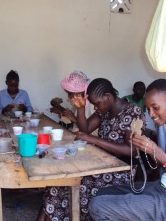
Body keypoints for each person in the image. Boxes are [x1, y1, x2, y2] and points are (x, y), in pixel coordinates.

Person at [88, 79, 166, 221]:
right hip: (164, 187)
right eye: (148, 108)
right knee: (100, 193)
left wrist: (155, 150)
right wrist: (142, 146)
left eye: (155, 108)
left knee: (98, 206)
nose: (151, 114)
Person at [37, 78, 146, 221]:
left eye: (97, 104)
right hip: (100, 164)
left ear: (108, 96)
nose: (95, 107)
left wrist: (95, 140)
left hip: (119, 172)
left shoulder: (133, 112)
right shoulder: (105, 110)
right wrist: (81, 109)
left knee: (68, 184)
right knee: (58, 183)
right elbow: (86, 128)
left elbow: (133, 151)